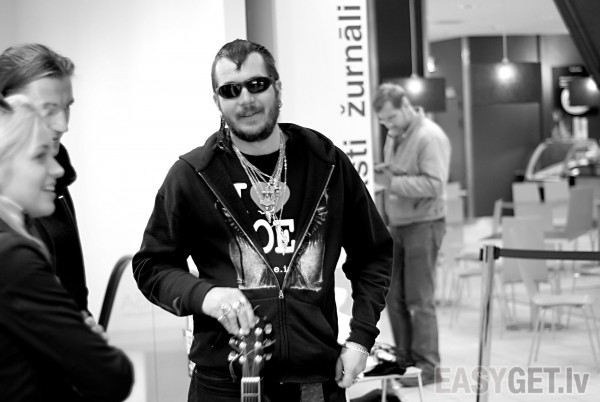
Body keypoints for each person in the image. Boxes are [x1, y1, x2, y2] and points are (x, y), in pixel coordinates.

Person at [133, 38, 393, 402]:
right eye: (230, 90)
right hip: (224, 382)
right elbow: (151, 266)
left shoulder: (325, 163)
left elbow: (373, 254)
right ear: (217, 101)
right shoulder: (193, 174)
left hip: (313, 381)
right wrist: (205, 296)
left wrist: (361, 338)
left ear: (277, 87)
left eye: (257, 84)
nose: (246, 99)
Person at [0, 95, 134, 401]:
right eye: (39, 156)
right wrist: (82, 341)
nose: (57, 169)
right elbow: (111, 376)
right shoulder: (12, 257)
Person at [0, 43, 92, 318]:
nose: (63, 125)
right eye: (48, 109)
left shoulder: (58, 180)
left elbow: (73, 289)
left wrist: (81, 322)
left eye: (67, 108)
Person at [372, 82, 451, 387]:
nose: (388, 125)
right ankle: (405, 364)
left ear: (405, 105)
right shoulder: (395, 135)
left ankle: (428, 368)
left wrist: (391, 182)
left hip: (424, 224)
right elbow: (402, 174)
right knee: (395, 298)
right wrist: (389, 172)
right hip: (398, 225)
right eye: (383, 121)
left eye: (391, 118)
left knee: (420, 300)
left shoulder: (430, 136)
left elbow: (435, 185)